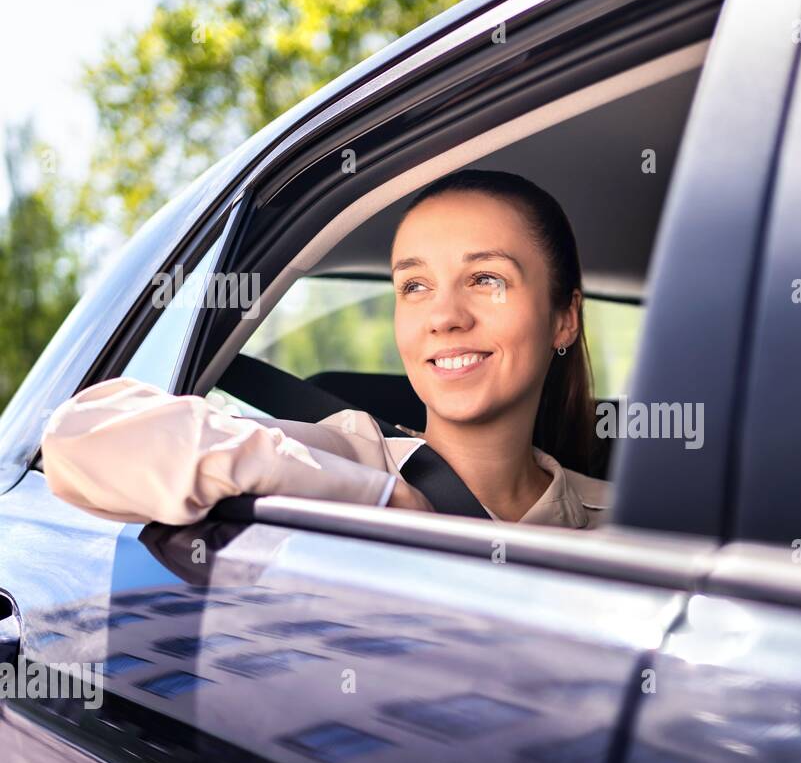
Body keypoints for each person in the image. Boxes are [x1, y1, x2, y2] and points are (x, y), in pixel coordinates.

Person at [41, 169, 610, 530]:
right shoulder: (353, 456)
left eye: (486, 278)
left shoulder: (631, 521)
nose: (444, 317)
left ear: (563, 318)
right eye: (415, 286)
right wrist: (382, 499)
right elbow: (79, 438)